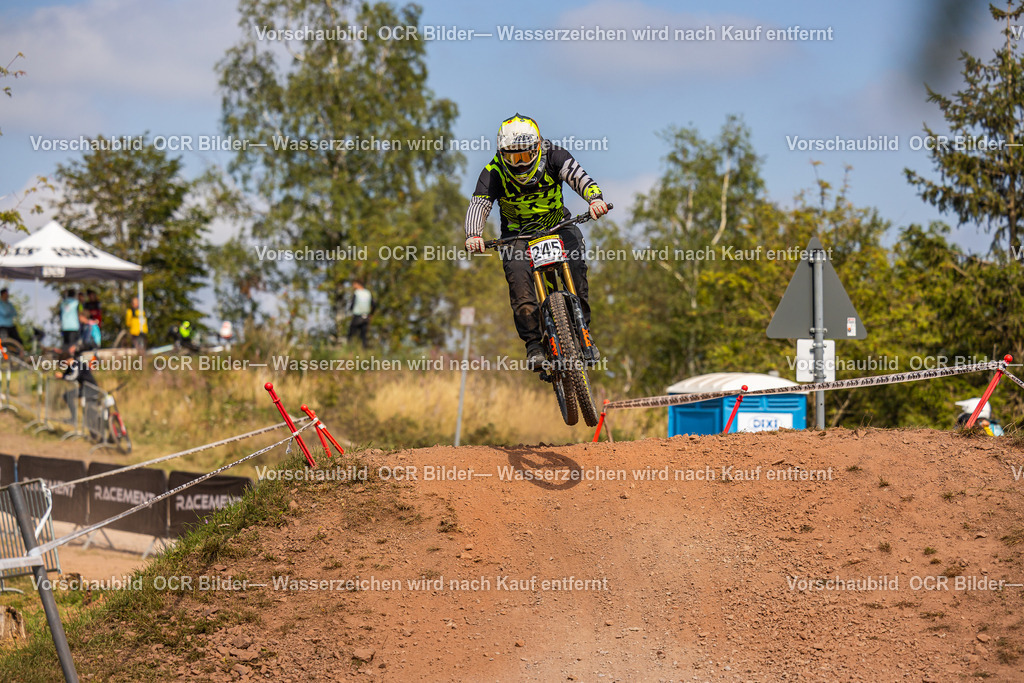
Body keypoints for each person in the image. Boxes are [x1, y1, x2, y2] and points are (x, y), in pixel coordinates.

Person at [464, 114, 609, 368]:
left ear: (538, 148)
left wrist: (595, 198)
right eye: (512, 157)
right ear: (502, 154)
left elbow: (579, 177)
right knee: (519, 282)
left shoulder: (555, 155)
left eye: (525, 156)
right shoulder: (493, 171)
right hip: (517, 235)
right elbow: (479, 203)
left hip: (557, 225)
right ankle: (533, 345)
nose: (519, 164)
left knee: (576, 268)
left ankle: (583, 329)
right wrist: (473, 234)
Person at [56, 343, 102, 435]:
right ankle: (96, 432)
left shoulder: (76, 364)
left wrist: (62, 377)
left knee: (91, 412)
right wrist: (63, 376)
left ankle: (75, 419)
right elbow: (68, 374)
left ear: (66, 360)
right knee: (90, 411)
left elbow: (74, 377)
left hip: (91, 389)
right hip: (87, 389)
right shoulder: (72, 365)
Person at [346, 280, 375, 349]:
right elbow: (374, 305)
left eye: (354, 284)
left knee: (351, 334)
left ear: (358, 284)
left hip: (357, 316)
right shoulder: (368, 293)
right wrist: (371, 314)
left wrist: (350, 311)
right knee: (363, 335)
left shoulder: (357, 293)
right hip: (366, 316)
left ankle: (349, 350)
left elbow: (353, 304)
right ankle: (364, 351)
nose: (353, 286)